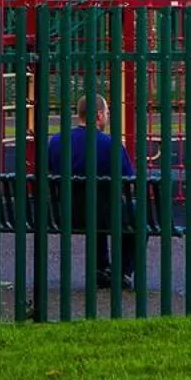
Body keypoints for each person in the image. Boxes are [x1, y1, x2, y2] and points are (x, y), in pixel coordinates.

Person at [44, 93, 142, 290]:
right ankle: (121, 270)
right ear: (98, 115)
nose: (107, 116)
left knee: (96, 204)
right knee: (137, 211)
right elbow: (130, 182)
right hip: (103, 215)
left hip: (65, 214)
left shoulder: (56, 141)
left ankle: (101, 268)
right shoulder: (110, 145)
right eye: (106, 112)